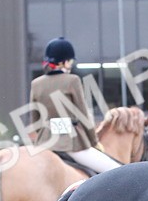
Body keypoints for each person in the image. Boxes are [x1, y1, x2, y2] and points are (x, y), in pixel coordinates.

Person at [29, 37, 121, 173]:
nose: (71, 64)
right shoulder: (72, 80)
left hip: (44, 142)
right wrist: (94, 141)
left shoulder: (36, 84)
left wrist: (47, 132)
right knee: (114, 170)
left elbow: (35, 121)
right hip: (70, 143)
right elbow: (83, 115)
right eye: (70, 61)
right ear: (64, 62)